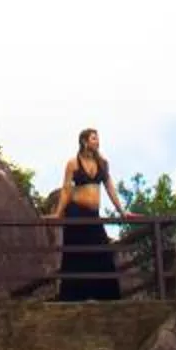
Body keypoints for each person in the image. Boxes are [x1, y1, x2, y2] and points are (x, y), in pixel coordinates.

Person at [55, 127, 121, 302]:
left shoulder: (103, 163)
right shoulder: (73, 163)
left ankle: (106, 297)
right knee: (77, 255)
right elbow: (66, 190)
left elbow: (109, 187)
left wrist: (121, 210)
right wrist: (58, 213)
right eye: (93, 139)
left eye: (97, 139)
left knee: (102, 252)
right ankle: (74, 298)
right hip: (76, 212)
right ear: (84, 141)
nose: (97, 142)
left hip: (93, 214)